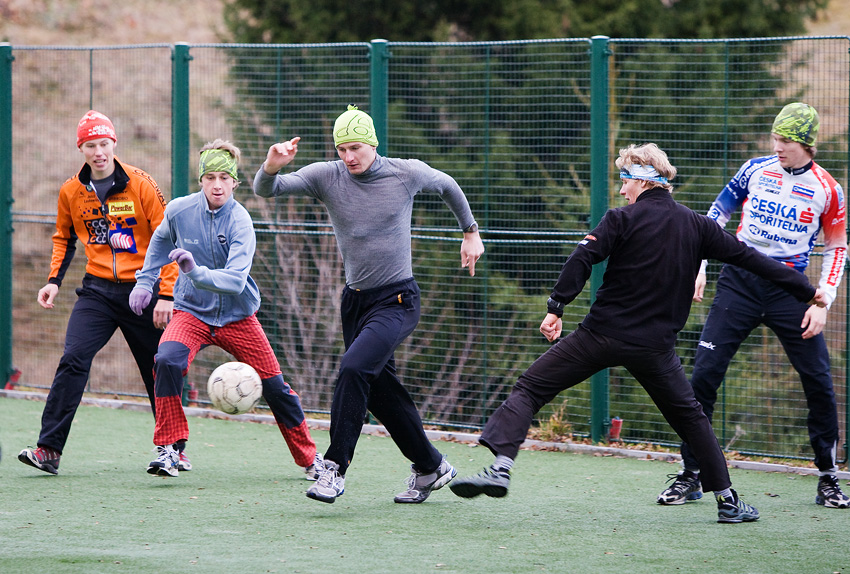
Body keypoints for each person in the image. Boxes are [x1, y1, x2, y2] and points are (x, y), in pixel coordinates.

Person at [449, 143, 828, 524]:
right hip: (655, 350)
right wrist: (807, 290)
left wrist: (556, 307)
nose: (621, 189)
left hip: (599, 337)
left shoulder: (620, 219)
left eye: (624, 179)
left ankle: (500, 466)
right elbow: (754, 260)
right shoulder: (699, 227)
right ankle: (728, 501)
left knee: (530, 389)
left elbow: (582, 258)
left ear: (642, 180)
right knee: (693, 419)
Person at [253, 105, 485, 504]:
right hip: (355, 302)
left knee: (355, 368)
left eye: (356, 147)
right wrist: (272, 165)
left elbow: (447, 184)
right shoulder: (327, 176)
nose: (349, 157)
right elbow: (266, 190)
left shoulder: (404, 173)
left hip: (397, 299)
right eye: (342, 148)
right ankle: (431, 466)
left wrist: (470, 232)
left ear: (372, 144)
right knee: (379, 390)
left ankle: (334, 468)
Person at [657, 103, 850, 510]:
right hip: (739, 283)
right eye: (774, 138)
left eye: (785, 140)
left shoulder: (828, 189)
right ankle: (692, 474)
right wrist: (700, 263)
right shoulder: (753, 169)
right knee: (703, 377)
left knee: (818, 382)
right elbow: (716, 215)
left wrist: (823, 302)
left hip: (791, 293)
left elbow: (837, 247)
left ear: (805, 143)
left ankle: (829, 479)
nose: (776, 146)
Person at [129, 139, 319, 478]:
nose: (217, 185)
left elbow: (233, 280)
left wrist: (194, 272)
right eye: (210, 177)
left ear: (235, 182)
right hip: (191, 313)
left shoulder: (241, 221)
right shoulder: (179, 210)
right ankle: (170, 450)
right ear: (201, 180)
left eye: (224, 178)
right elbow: (159, 241)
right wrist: (146, 281)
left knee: (276, 388)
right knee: (166, 360)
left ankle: (310, 460)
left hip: (238, 317)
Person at [18, 110, 182, 475]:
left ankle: (173, 448)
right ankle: (49, 450)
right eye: (90, 145)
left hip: (144, 292)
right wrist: (53, 281)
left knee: (158, 367)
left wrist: (166, 294)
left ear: (114, 144)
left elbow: (169, 238)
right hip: (97, 293)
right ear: (82, 149)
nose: (98, 152)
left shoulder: (141, 184)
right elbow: (64, 238)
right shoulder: (71, 191)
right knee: (73, 358)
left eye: (104, 143)